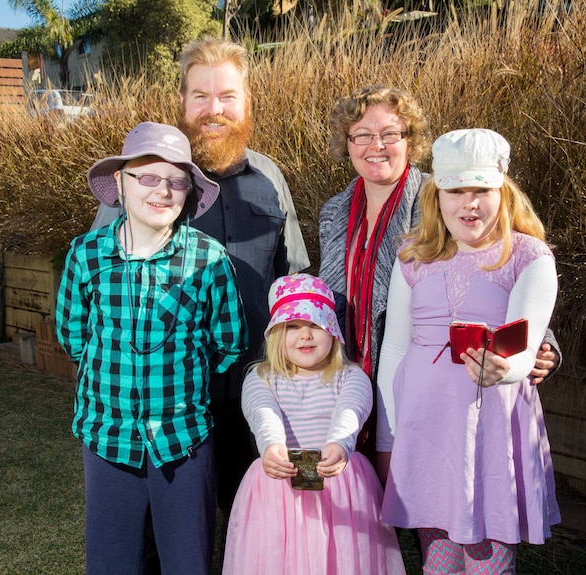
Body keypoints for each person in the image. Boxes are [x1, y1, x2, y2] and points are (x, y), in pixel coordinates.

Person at [92, 38, 310, 516]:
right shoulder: (150, 180)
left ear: (246, 102)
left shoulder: (270, 177)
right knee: (167, 536)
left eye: (228, 96)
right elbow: (100, 284)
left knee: (251, 520)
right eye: (201, 96)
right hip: (169, 401)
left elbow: (293, 281)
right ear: (182, 103)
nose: (215, 110)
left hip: (254, 390)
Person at [318, 86, 560, 462]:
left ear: (410, 141)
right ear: (346, 144)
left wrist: (542, 346)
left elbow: (490, 271)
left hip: (421, 383)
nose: (375, 145)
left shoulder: (444, 196)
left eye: (389, 134)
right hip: (349, 375)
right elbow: (330, 294)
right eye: (362, 135)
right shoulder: (334, 212)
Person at [56, 122, 247, 575]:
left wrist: (183, 375)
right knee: (113, 560)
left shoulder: (208, 259)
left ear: (187, 194)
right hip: (108, 438)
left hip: (183, 441)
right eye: (147, 177)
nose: (162, 190)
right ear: (120, 184)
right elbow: (74, 336)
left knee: (187, 559)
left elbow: (227, 341)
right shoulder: (87, 255)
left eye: (176, 181)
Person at [375, 128, 561, 574]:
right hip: (424, 427)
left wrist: (506, 370)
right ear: (437, 195)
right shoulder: (412, 256)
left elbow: (524, 342)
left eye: (482, 190)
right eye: (456, 190)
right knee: (438, 558)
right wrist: (392, 433)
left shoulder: (527, 257)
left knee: (486, 557)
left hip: (489, 428)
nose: (468, 203)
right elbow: (396, 347)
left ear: (504, 191)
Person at [222, 273, 406, 575]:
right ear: (276, 334)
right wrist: (271, 446)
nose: (305, 335)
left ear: (333, 332)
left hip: (340, 485)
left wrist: (339, 444)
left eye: (315, 325)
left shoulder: (351, 376)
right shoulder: (261, 377)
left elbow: (351, 411)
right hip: (279, 489)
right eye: (292, 327)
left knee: (342, 559)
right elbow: (262, 413)